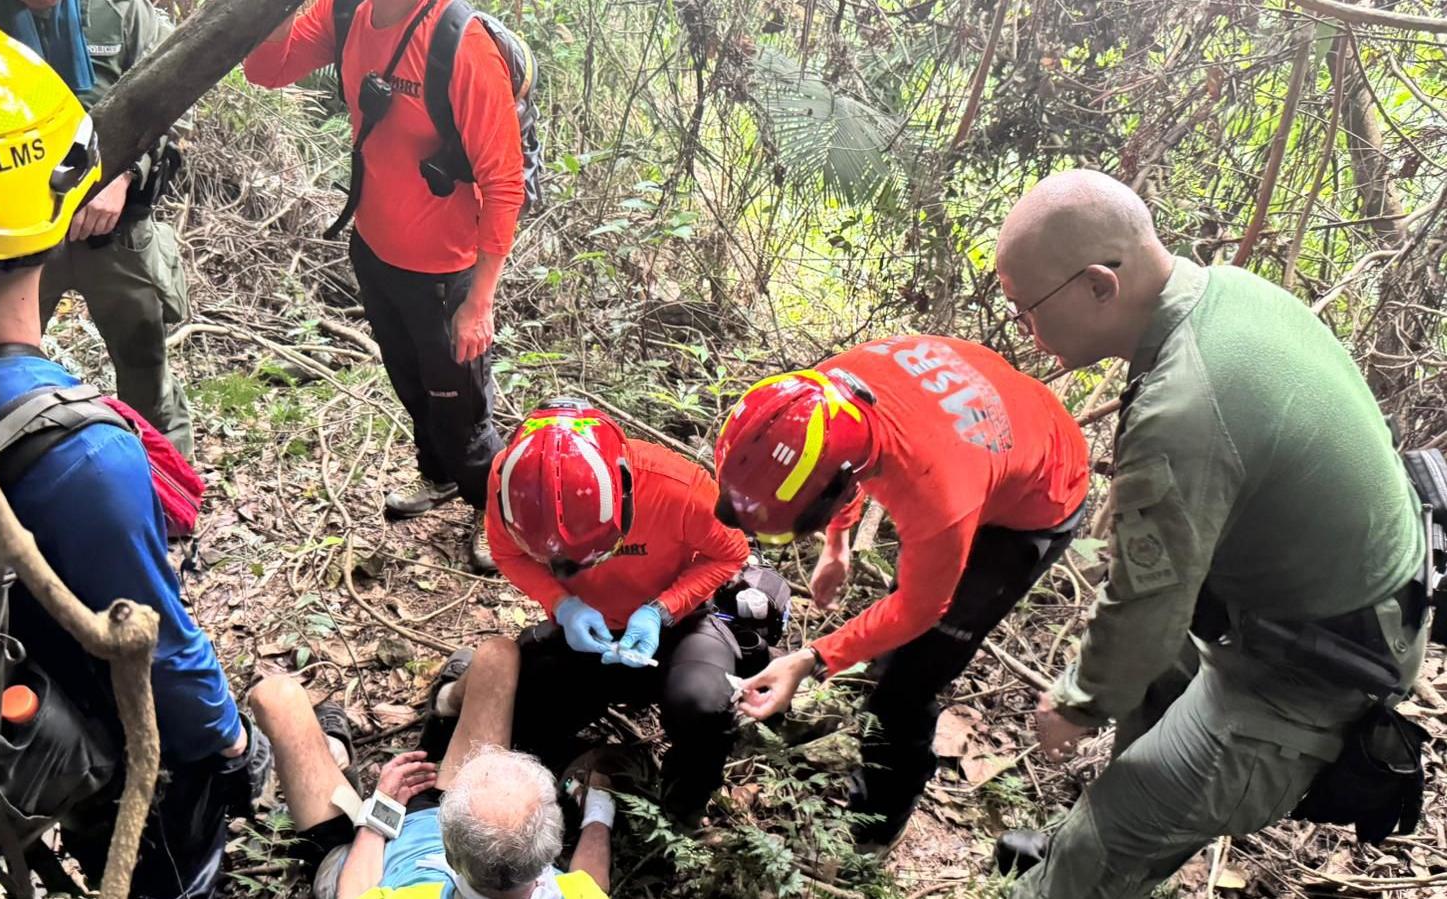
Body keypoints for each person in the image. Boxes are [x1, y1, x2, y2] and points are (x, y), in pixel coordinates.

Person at [0, 17, 262, 897]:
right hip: (49, 733)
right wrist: (230, 741)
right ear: (68, 200)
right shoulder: (82, 458)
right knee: (191, 791)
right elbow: (153, 651)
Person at [991, 170, 1428, 898]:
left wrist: (1073, 703)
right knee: (1150, 693)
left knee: (1104, 830)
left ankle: (1094, 854)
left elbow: (1145, 612)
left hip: (1317, 668)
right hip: (1328, 610)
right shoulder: (1224, 291)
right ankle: (1117, 846)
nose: (1026, 332)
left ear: (1100, 285)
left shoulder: (1184, 407)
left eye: (1026, 309)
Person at [714, 342, 1089, 849]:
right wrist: (838, 543)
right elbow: (843, 469)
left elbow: (917, 607)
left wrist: (812, 658)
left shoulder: (937, 496)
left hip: (1036, 501)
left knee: (909, 678)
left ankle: (879, 824)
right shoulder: (813, 400)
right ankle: (873, 685)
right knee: (893, 646)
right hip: (993, 441)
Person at [242, 0, 525, 571]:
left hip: (447, 271)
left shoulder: (459, 42)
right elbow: (266, 72)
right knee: (412, 384)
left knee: (461, 407)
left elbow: (504, 181)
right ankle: (441, 477)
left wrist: (481, 299)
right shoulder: (345, 13)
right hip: (375, 249)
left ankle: (495, 511)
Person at [0, 0, 198, 457]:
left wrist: (123, 174)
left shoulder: (125, 13)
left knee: (145, 368)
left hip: (111, 233)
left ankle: (167, 489)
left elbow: (175, 108)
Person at [478, 398, 750, 824]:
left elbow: (730, 554)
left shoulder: (676, 488)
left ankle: (680, 817)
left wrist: (662, 610)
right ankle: (561, 789)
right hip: (587, 633)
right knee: (522, 708)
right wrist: (562, 604)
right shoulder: (510, 484)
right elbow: (507, 554)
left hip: (675, 629)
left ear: (622, 489)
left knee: (705, 705)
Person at [248, 638, 615, 899]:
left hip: (361, 856)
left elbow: (354, 893)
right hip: (461, 833)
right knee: (498, 655)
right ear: (550, 852)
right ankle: (444, 702)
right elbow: (592, 886)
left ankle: (337, 753)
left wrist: (380, 814)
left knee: (275, 697)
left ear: (450, 854)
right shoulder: (570, 892)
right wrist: (599, 809)